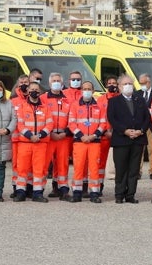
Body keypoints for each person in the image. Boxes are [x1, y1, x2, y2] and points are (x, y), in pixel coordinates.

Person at [107, 74, 151, 203]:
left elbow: (147, 118)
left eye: (130, 84)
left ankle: (130, 194)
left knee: (134, 169)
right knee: (121, 168)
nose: (128, 86)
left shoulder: (140, 99)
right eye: (125, 84)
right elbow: (112, 119)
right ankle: (119, 194)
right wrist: (125, 131)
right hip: (121, 139)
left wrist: (140, 131)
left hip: (138, 139)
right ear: (119, 87)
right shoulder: (114, 101)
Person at [68, 81, 107, 203]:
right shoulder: (75, 105)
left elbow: (103, 124)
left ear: (93, 90)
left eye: (89, 89)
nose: (86, 91)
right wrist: (82, 136)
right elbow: (71, 123)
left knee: (94, 167)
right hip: (80, 142)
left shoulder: (99, 105)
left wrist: (94, 135)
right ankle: (76, 193)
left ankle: (94, 193)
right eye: (84, 89)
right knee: (78, 167)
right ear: (81, 91)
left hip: (94, 142)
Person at [14, 81, 53, 202]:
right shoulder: (22, 107)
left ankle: (38, 193)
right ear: (28, 91)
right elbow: (20, 124)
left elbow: (50, 123)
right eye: (32, 89)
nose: (34, 91)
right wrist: (30, 136)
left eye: (36, 89)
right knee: (22, 169)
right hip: (25, 143)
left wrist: (40, 135)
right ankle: (20, 192)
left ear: (40, 92)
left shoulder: (45, 108)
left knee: (39, 169)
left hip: (40, 144)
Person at [40, 72, 71, 200]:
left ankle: (63, 189)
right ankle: (38, 190)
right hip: (48, 137)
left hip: (63, 137)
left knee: (62, 164)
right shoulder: (43, 98)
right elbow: (39, 117)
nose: (56, 83)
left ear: (62, 83)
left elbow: (73, 118)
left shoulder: (67, 100)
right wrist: (49, 132)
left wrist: (66, 132)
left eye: (58, 80)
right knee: (44, 164)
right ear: (49, 83)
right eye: (54, 81)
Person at [135, 73, 152, 179]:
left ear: (149, 82)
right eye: (140, 83)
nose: (142, 85)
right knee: (139, 150)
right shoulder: (137, 94)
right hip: (140, 126)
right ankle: (137, 171)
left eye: (144, 83)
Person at [9, 74, 30, 197]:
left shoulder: (34, 99)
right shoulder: (13, 101)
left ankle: (29, 188)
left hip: (29, 139)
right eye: (21, 82)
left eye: (26, 82)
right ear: (17, 84)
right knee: (16, 165)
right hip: (16, 139)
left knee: (30, 165)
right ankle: (16, 188)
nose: (24, 84)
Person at [99, 75, 119, 188]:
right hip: (105, 135)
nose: (112, 85)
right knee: (101, 162)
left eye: (114, 83)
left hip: (118, 134)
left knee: (119, 162)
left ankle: (119, 187)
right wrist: (105, 131)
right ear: (106, 85)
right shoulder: (101, 100)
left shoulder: (121, 98)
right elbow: (99, 116)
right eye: (110, 83)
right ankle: (99, 185)